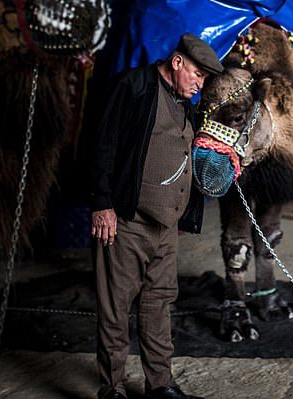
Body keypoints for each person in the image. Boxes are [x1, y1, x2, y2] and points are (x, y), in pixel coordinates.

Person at [88, 33, 223, 399]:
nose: (200, 83)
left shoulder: (186, 103)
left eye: (205, 79)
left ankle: (160, 385)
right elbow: (102, 144)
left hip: (166, 227)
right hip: (127, 221)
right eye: (197, 74)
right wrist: (103, 204)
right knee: (116, 306)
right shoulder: (132, 87)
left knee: (159, 303)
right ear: (177, 62)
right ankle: (111, 387)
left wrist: (184, 215)